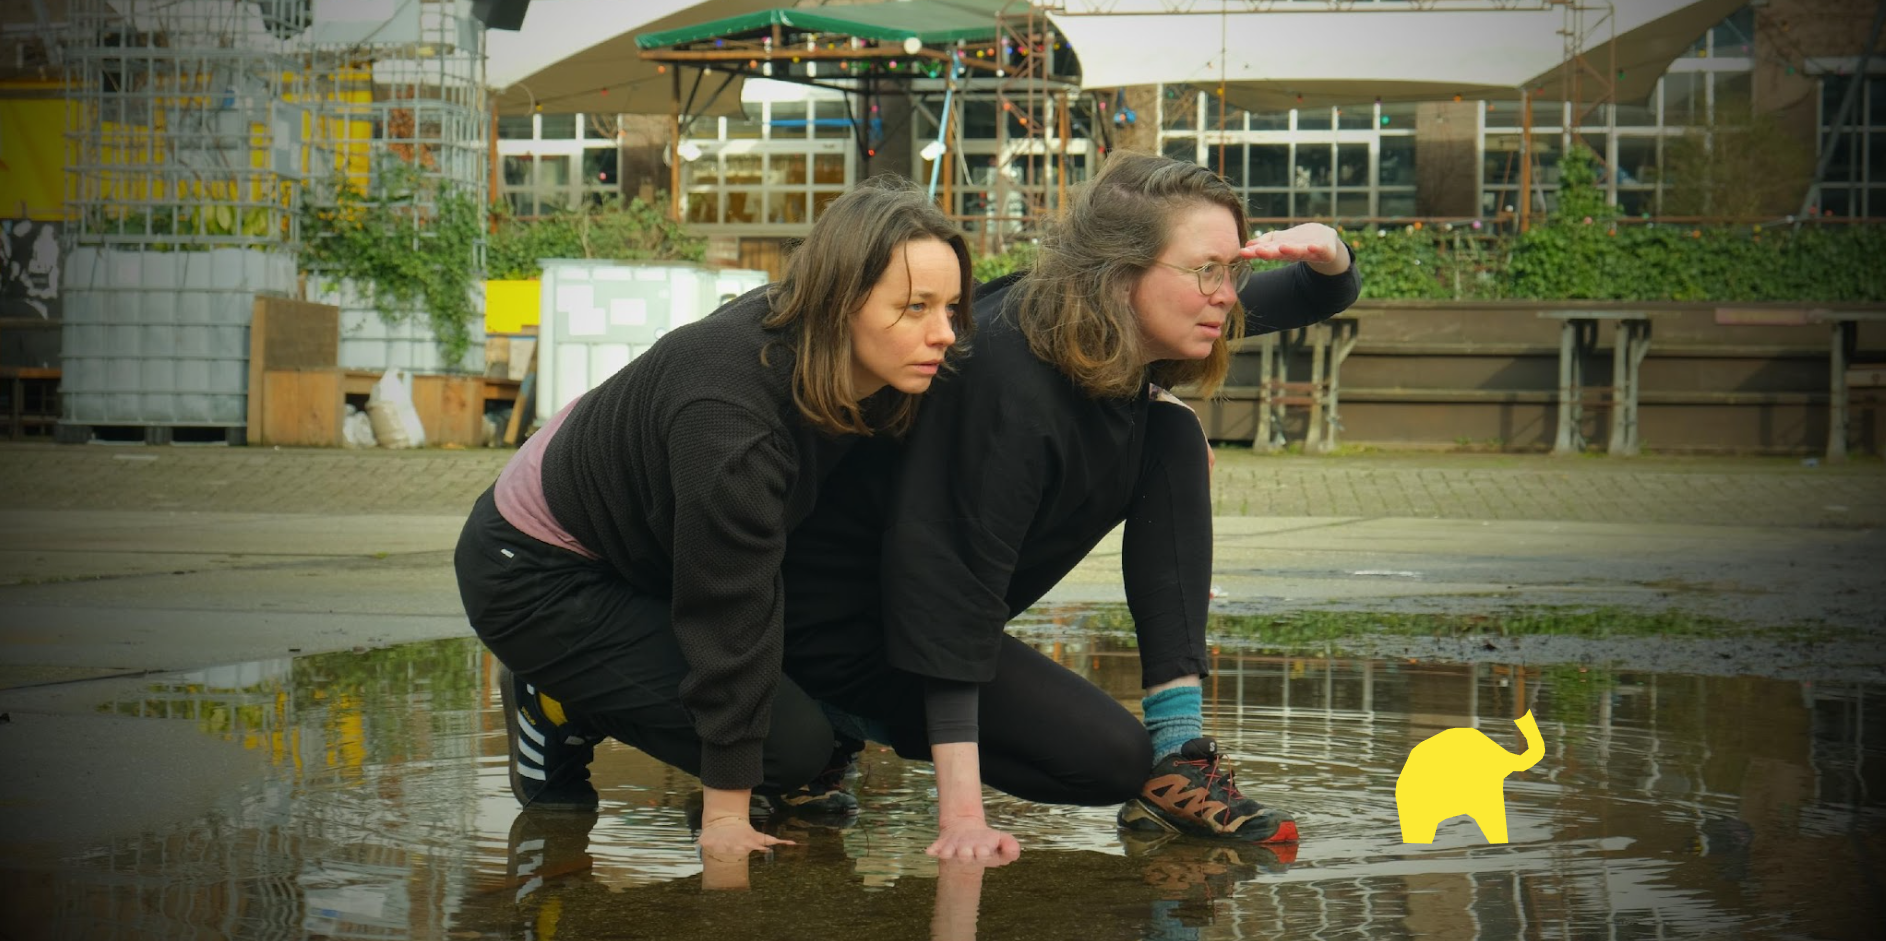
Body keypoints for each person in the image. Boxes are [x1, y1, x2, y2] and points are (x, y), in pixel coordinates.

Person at [781, 151, 1361, 858]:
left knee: (1171, 434)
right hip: (850, 631)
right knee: (1109, 762)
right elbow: (949, 591)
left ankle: (1179, 753)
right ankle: (829, 718)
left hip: (929, 608)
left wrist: (1328, 250)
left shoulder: (1108, 315)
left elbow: (1316, 291)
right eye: (1208, 270)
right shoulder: (1008, 383)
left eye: (1232, 270)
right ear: (1120, 274)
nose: (1227, 295)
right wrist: (961, 816)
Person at [454, 174, 974, 858]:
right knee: (790, 750)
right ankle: (553, 697)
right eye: (914, 308)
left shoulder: (863, 358)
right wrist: (727, 815)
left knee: (803, 718)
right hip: (534, 572)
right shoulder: (731, 419)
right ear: (838, 301)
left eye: (951, 307)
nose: (944, 334)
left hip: (642, 544)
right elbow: (726, 609)